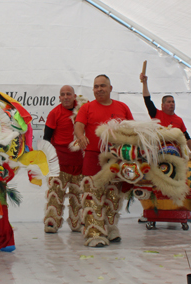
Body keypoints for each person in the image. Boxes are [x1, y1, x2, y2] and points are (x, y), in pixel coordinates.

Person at [74, 74, 134, 247]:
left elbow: (131, 128)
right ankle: (94, 232)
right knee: (92, 194)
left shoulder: (122, 107)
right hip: (94, 156)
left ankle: (111, 228)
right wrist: (81, 136)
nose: (99, 89)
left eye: (102, 86)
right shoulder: (87, 107)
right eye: (96, 86)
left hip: (116, 157)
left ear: (110, 88)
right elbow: (79, 125)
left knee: (114, 195)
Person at [43, 85, 86, 233]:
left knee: (78, 195)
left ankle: (77, 222)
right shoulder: (54, 113)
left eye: (69, 94)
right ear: (59, 97)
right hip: (59, 162)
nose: (66, 97)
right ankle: (51, 222)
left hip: (79, 161)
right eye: (63, 94)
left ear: (74, 96)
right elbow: (46, 139)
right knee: (56, 194)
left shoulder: (83, 111)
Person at [140, 73, 191, 155]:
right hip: (158, 152)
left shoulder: (179, 120)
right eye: (169, 102)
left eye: (173, 102)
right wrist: (145, 83)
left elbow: (187, 138)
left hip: (176, 154)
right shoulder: (156, 114)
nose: (172, 104)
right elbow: (147, 99)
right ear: (162, 105)